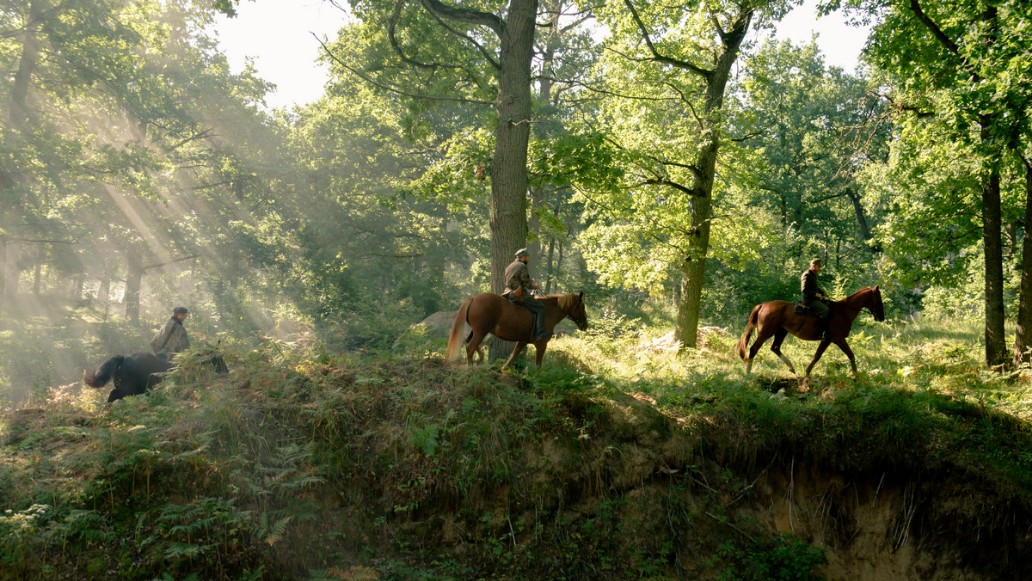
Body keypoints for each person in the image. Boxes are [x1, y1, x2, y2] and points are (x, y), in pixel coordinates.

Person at [503, 248, 548, 341]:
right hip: (520, 294)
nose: (527, 259)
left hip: (508, 293)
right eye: (527, 257)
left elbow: (514, 280)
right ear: (522, 257)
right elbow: (526, 283)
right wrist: (535, 285)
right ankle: (540, 334)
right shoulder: (522, 266)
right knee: (541, 308)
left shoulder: (510, 266)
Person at [801, 259, 830, 337]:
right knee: (825, 310)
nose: (819, 268)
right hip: (809, 300)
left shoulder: (813, 274)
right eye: (818, 267)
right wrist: (816, 294)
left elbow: (814, 287)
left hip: (814, 298)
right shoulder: (807, 274)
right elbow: (804, 289)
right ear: (813, 266)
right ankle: (821, 332)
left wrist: (822, 292)